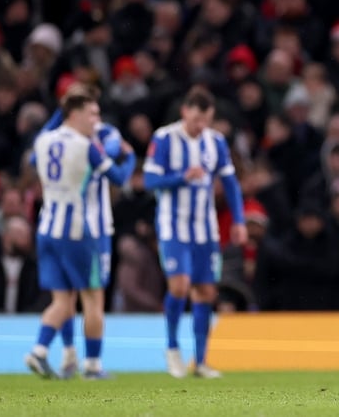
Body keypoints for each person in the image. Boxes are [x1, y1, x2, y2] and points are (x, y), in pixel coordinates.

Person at [26, 90, 135, 379]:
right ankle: (93, 365)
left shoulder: (43, 140)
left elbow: (32, 163)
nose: (96, 121)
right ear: (74, 114)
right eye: (92, 114)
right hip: (82, 230)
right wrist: (130, 155)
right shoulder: (88, 145)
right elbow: (120, 177)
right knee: (92, 298)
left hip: (47, 226)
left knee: (62, 300)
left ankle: (45, 351)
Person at [143, 86, 247, 379]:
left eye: (206, 120)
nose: (201, 126)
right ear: (184, 112)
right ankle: (173, 349)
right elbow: (150, 180)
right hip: (173, 226)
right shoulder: (164, 138)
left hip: (206, 230)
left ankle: (200, 361)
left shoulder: (216, 142)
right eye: (196, 120)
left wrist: (238, 221)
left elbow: (230, 184)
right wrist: (181, 177)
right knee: (179, 286)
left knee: (206, 291)